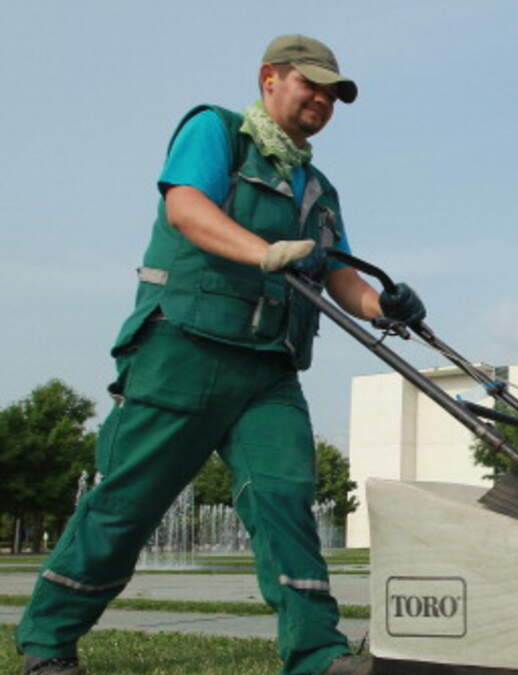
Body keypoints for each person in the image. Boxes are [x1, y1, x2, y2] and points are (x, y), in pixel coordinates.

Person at [16, 34, 424, 675]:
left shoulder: (319, 190)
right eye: (311, 84)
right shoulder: (218, 132)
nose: (322, 100)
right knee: (128, 503)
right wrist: (264, 251)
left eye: (333, 94)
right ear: (270, 78)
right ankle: (47, 644)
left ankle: (317, 655)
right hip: (184, 349)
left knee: (286, 500)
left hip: (268, 370)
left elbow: (339, 274)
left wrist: (384, 306)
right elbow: (185, 207)